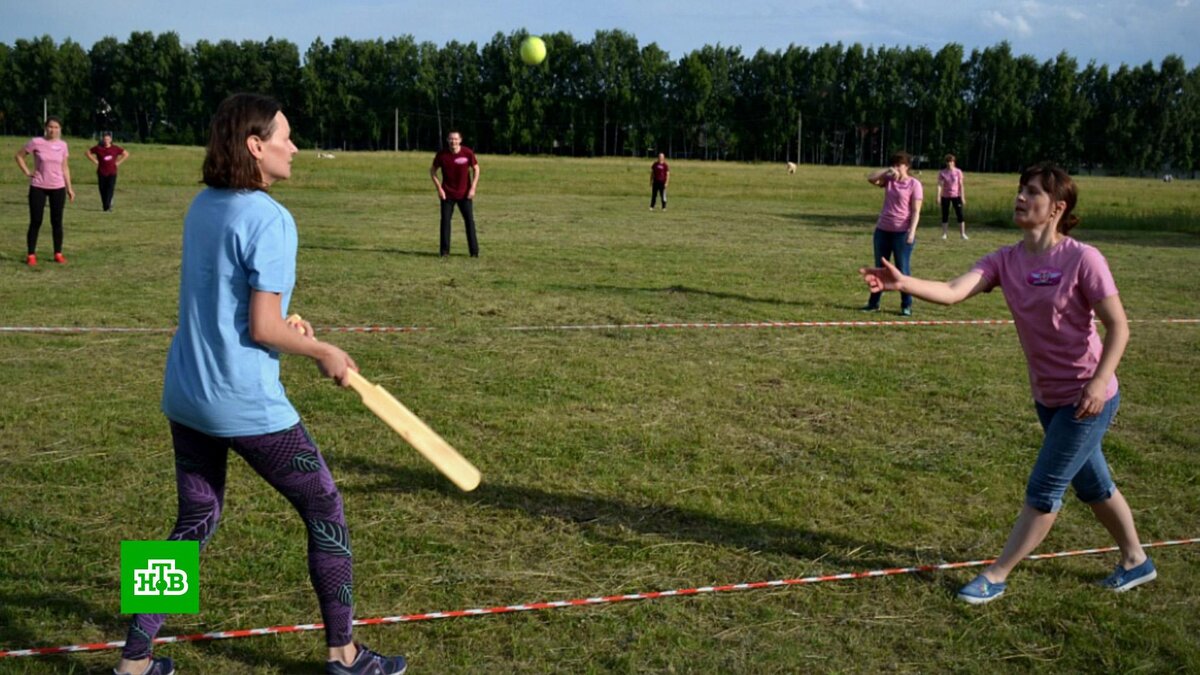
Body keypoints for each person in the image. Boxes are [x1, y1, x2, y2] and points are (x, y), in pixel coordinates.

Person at [114, 94, 407, 675]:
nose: (294, 148)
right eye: (285, 137)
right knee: (325, 506)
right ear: (255, 146)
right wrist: (321, 349)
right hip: (241, 399)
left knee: (195, 519)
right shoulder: (270, 218)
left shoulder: (204, 204)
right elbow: (261, 325)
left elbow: (238, 305)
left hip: (185, 390)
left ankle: (134, 661)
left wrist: (286, 326)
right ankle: (344, 654)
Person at [859, 162, 1154, 605]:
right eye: (1020, 189)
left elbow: (1119, 327)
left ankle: (997, 574)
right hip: (1048, 398)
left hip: (1088, 397)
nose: (1020, 197)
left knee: (1044, 489)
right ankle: (1136, 561)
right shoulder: (1005, 259)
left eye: (1032, 192)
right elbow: (955, 290)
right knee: (1093, 486)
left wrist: (1099, 382)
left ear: (1056, 207)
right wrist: (904, 283)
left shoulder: (1082, 258)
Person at [862, 151, 922, 316]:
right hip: (882, 231)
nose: (896, 167)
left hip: (901, 233)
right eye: (894, 164)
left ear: (907, 166)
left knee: (902, 270)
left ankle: (906, 305)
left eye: (899, 164)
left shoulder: (914, 184)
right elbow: (871, 178)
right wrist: (886, 172)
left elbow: (916, 211)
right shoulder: (889, 181)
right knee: (879, 269)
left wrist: (911, 232)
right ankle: (873, 303)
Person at [15, 116, 75, 265]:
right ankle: (31, 254)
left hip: (58, 187)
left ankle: (58, 253)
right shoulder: (36, 142)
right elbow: (19, 156)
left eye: (56, 127)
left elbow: (65, 167)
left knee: (57, 221)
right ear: (45, 128)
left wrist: (69, 188)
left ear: (60, 129)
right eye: (50, 127)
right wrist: (27, 172)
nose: (53, 130)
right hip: (38, 186)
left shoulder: (63, 145)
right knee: (36, 220)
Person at [430, 130, 480, 257]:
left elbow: (476, 168)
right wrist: (439, 189)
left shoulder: (467, 153)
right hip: (447, 195)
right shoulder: (442, 155)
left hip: (465, 194)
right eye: (451, 139)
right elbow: (432, 171)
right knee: (445, 222)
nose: (453, 141)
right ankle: (444, 252)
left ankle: (474, 252)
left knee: (469, 221)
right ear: (447, 140)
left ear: (460, 140)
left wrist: (473, 187)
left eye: (456, 139)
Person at [86, 132, 129, 211]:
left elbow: (126, 154)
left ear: (111, 140)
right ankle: (105, 205)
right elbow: (88, 152)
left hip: (112, 172)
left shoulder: (115, 148)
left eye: (108, 139)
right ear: (103, 140)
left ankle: (107, 206)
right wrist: (95, 160)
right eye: (105, 139)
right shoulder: (98, 148)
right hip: (101, 171)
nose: (106, 141)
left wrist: (118, 162)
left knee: (110, 189)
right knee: (102, 189)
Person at [937, 154, 967, 240]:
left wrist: (962, 196)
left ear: (954, 162)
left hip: (956, 195)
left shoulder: (958, 172)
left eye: (951, 161)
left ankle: (963, 234)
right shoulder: (942, 172)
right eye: (948, 161)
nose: (949, 163)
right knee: (945, 214)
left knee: (960, 214)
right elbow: (939, 185)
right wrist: (938, 196)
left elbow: (961, 185)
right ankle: (944, 234)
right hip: (945, 196)